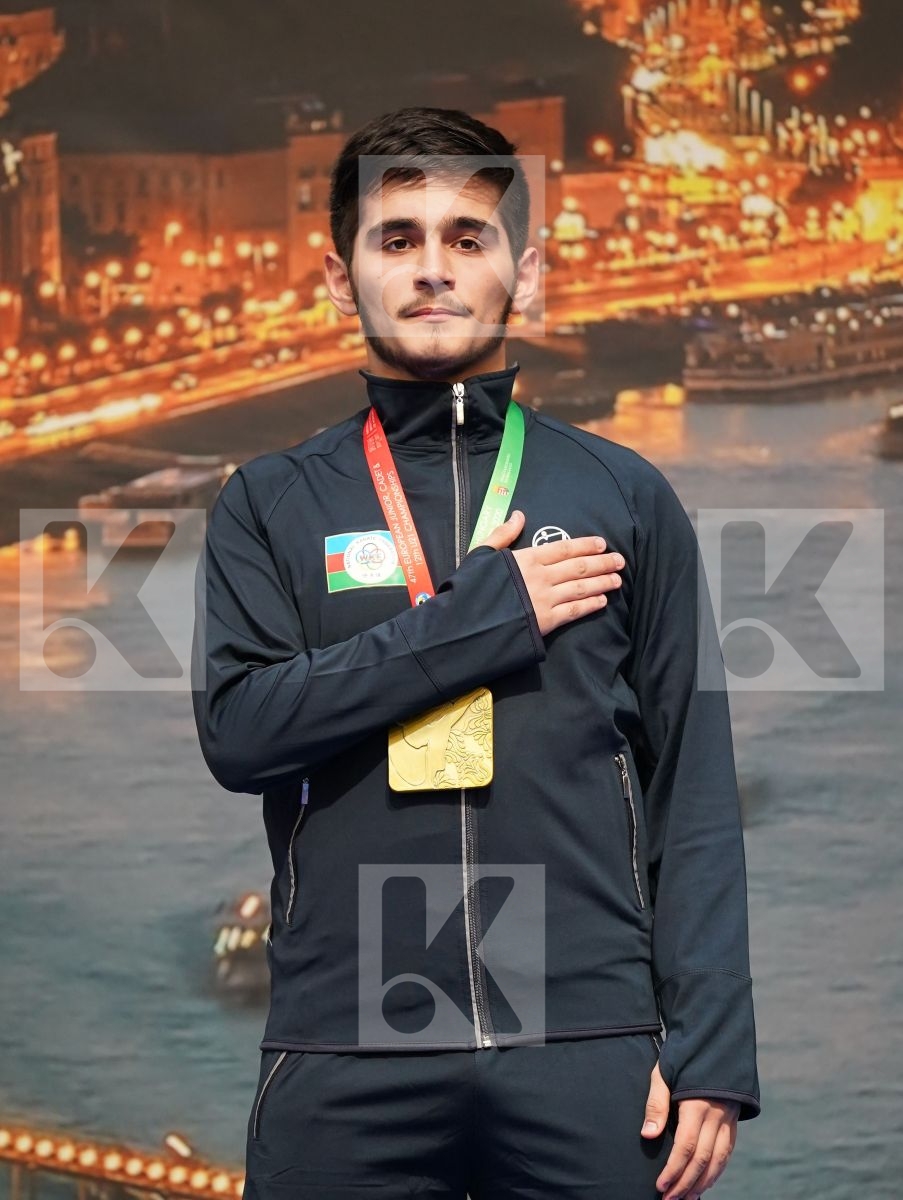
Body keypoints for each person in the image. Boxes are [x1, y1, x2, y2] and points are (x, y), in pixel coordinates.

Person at [191, 105, 761, 1200]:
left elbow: (693, 787)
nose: (434, 268)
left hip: (587, 1040)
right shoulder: (269, 502)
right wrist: (477, 619)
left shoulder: (624, 496)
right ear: (336, 274)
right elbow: (241, 730)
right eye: (396, 237)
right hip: (345, 1049)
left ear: (527, 271)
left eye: (469, 236)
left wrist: (712, 1049)